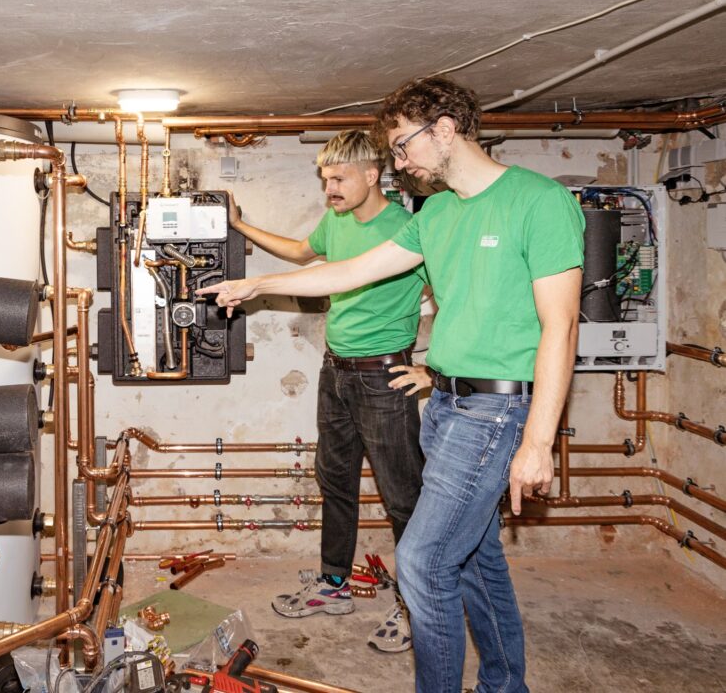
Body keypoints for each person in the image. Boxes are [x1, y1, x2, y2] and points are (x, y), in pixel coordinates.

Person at [199, 77, 584, 693]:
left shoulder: (537, 201)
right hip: (448, 407)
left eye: (403, 146)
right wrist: (256, 286)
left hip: (496, 409)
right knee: (479, 562)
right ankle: (505, 685)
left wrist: (538, 442)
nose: (399, 162)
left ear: (446, 129)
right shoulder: (437, 214)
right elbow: (353, 270)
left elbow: (560, 327)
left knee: (423, 562)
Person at [227, 130, 428, 652]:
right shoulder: (337, 220)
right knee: (335, 479)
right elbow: (300, 252)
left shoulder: (408, 229)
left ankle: (416, 607)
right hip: (335, 371)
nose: (330, 188)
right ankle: (335, 583)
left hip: (385, 375)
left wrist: (437, 371)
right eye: (324, 179)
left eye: (338, 178)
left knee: (403, 495)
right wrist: (238, 225)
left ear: (372, 174)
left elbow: (452, 293)